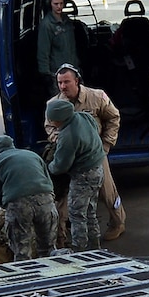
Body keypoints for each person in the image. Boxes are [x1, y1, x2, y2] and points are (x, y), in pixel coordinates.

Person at [55, 64, 126, 239]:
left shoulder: (96, 97)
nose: (63, 86)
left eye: (67, 82)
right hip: (71, 155)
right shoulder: (55, 104)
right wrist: (61, 141)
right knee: (63, 193)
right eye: (60, 83)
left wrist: (106, 144)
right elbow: (50, 126)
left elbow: (113, 118)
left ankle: (118, 222)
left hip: (95, 153)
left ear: (77, 81)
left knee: (107, 191)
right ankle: (62, 233)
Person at [0, 133, 58, 260]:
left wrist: (1, 205)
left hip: (18, 204)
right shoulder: (32, 155)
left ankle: (28, 277)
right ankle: (53, 275)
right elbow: (47, 178)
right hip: (45, 200)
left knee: (22, 251)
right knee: (48, 247)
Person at [46, 93, 105, 251]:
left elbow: (61, 166)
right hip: (98, 169)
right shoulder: (83, 117)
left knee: (77, 215)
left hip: (83, 176)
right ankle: (95, 247)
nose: (51, 122)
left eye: (52, 119)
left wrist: (48, 167)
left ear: (59, 118)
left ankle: (79, 252)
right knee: (90, 212)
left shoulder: (68, 135)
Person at [36, 0, 85, 93]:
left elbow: (72, 47)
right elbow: (43, 51)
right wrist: (45, 74)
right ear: (50, 4)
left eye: (61, 3)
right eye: (56, 4)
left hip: (74, 69)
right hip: (58, 74)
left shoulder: (67, 21)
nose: (59, 6)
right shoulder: (47, 25)